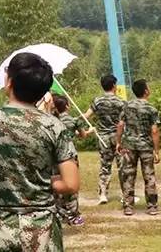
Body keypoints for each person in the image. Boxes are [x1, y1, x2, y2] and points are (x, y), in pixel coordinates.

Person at [0, 52, 79, 252]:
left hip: (0, 227)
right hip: (42, 228)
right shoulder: (55, 126)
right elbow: (71, 184)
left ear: (9, 83)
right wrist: (49, 180)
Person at [115, 79, 161, 216]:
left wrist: (118, 142)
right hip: (145, 146)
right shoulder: (151, 109)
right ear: (146, 91)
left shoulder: (126, 106)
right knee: (149, 175)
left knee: (128, 175)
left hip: (129, 145)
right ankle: (152, 206)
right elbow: (154, 131)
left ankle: (128, 206)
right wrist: (156, 151)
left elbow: (120, 125)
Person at [82, 74, 124, 204]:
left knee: (105, 166)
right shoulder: (120, 102)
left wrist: (78, 124)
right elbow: (125, 121)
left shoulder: (97, 101)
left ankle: (103, 195)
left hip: (103, 137)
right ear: (113, 86)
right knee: (122, 166)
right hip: (118, 137)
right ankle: (126, 194)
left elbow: (86, 116)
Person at [51, 94, 88, 226]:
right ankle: (73, 215)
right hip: (69, 156)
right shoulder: (74, 121)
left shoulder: (52, 121)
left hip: (54, 157)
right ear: (67, 105)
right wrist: (90, 131)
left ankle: (59, 213)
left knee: (57, 183)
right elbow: (83, 135)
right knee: (72, 186)